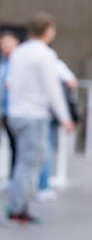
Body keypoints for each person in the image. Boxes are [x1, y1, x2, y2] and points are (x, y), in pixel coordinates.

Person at [5, 13, 73, 224]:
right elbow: (52, 89)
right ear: (48, 30)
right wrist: (65, 117)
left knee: (22, 160)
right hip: (34, 115)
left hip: (16, 113)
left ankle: (19, 205)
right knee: (31, 162)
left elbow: (10, 82)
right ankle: (18, 208)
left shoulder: (19, 53)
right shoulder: (45, 55)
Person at [36, 58, 77, 202]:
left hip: (32, 113)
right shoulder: (53, 63)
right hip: (45, 113)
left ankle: (37, 185)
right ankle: (42, 187)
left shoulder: (19, 59)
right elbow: (72, 82)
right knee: (45, 148)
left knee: (33, 150)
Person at [0, 30, 20, 182]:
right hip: (2, 109)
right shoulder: (3, 63)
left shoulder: (21, 63)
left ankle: (14, 179)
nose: (4, 45)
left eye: (7, 42)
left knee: (15, 146)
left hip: (14, 111)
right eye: (2, 43)